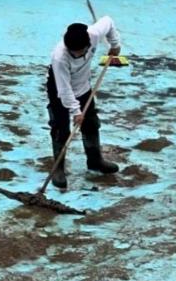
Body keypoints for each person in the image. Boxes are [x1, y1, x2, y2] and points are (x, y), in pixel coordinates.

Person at [47, 17, 122, 189]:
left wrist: (115, 45)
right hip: (59, 91)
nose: (77, 56)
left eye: (80, 52)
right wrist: (76, 111)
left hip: (83, 86)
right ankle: (58, 169)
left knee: (91, 124)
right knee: (61, 129)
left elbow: (109, 21)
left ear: (88, 44)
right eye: (73, 53)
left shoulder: (94, 34)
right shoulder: (59, 57)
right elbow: (64, 90)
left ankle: (95, 161)